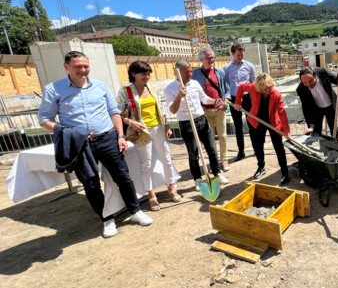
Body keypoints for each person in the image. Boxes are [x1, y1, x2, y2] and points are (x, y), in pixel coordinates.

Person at [38, 51, 152, 238]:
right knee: (90, 183)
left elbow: (114, 112)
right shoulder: (54, 89)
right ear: (66, 67)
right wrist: (69, 134)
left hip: (107, 138)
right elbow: (44, 119)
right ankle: (107, 219)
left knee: (123, 176)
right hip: (80, 145)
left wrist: (121, 136)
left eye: (86, 66)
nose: (83, 70)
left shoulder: (100, 86)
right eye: (78, 67)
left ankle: (135, 211)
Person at [116, 60, 181, 211]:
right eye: (143, 73)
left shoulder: (152, 88)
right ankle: (152, 195)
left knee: (166, 159)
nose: (147, 76)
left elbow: (161, 109)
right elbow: (118, 113)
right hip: (141, 132)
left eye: (148, 73)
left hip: (158, 128)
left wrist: (166, 125)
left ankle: (172, 188)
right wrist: (132, 123)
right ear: (133, 74)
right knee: (146, 165)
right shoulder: (125, 91)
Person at [164, 60, 229, 191]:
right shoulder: (170, 89)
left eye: (190, 71)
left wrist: (216, 101)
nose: (190, 74)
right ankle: (198, 179)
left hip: (201, 120)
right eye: (186, 71)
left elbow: (204, 99)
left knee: (211, 149)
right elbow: (172, 110)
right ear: (177, 72)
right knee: (193, 154)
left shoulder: (195, 83)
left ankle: (217, 173)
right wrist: (179, 96)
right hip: (186, 124)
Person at [234, 73, 291, 185]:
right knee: (258, 145)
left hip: (273, 123)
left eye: (269, 87)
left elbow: (282, 113)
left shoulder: (276, 95)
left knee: (278, 147)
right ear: (259, 88)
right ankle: (261, 167)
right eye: (264, 89)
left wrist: (286, 131)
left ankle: (285, 173)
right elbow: (240, 87)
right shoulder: (254, 88)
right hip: (256, 121)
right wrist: (237, 102)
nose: (268, 90)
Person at [192, 47, 231, 172]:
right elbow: (193, 92)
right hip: (204, 111)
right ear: (201, 59)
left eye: (212, 57)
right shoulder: (196, 74)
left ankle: (224, 160)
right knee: (209, 138)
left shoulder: (220, 72)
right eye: (208, 58)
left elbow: (227, 89)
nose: (211, 60)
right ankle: (213, 162)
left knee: (222, 135)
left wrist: (225, 102)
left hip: (219, 109)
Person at [223, 43, 257, 161]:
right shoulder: (226, 68)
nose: (240, 57)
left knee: (252, 124)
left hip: (247, 98)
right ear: (232, 53)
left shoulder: (249, 66)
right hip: (233, 100)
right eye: (238, 55)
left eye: (242, 55)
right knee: (238, 126)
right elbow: (226, 85)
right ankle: (241, 151)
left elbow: (254, 84)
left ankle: (256, 149)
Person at [296, 65, 338, 136]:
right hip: (317, 110)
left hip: (331, 107)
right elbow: (306, 109)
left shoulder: (322, 72)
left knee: (334, 129)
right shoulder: (301, 89)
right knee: (316, 132)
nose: (308, 84)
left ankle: (334, 145)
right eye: (305, 83)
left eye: (310, 81)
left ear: (315, 76)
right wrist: (310, 126)